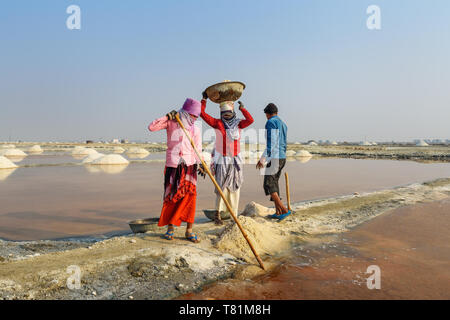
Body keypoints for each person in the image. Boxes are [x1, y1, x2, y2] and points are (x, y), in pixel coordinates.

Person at [148, 98, 204, 243]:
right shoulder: (172, 123)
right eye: (193, 115)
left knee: (190, 197)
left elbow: (197, 149)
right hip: (173, 165)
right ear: (185, 112)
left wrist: (202, 163)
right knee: (172, 196)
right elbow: (151, 127)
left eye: (197, 116)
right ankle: (170, 229)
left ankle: (189, 230)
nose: (194, 119)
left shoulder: (195, 129)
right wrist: (166, 117)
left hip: (190, 166)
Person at [200, 91, 254, 225]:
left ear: (233, 113)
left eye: (229, 113)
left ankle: (233, 215)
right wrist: (204, 100)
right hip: (221, 159)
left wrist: (243, 109)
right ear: (221, 114)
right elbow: (202, 114)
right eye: (224, 114)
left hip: (235, 159)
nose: (226, 116)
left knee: (235, 188)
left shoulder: (239, 123)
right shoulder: (217, 123)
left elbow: (250, 120)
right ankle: (217, 214)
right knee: (221, 187)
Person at [256, 103, 291, 220]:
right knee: (274, 184)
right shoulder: (283, 124)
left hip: (275, 157)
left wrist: (263, 159)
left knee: (269, 184)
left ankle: (284, 210)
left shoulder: (270, 122)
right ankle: (278, 211)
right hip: (282, 157)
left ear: (267, 114)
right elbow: (283, 142)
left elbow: (272, 143)